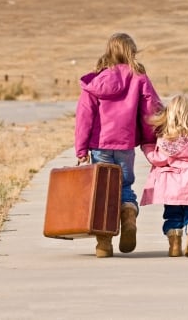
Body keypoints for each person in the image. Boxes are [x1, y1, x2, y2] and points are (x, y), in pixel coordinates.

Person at [75, 33, 162, 258]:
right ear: (131, 52)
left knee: (103, 191)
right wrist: (150, 139)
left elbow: (84, 117)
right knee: (124, 186)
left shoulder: (96, 82)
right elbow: (150, 110)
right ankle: (129, 213)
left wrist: (81, 149)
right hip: (125, 145)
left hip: (100, 146)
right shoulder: (139, 78)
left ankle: (104, 244)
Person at [140, 95, 188, 257]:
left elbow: (158, 160)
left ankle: (174, 244)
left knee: (173, 216)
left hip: (171, 188)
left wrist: (147, 148)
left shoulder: (165, 140)